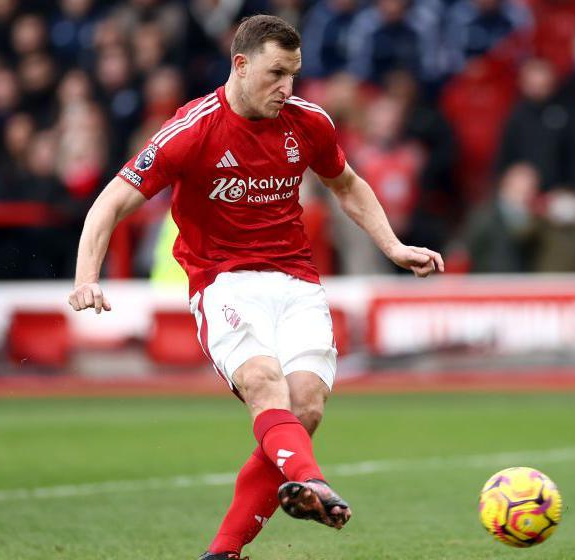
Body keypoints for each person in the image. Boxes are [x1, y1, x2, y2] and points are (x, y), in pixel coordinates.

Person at [67, 15, 443, 560]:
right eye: (275, 74)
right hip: (224, 284)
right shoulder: (192, 129)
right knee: (266, 384)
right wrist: (86, 277)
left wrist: (393, 246)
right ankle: (313, 484)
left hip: (297, 282)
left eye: (292, 74)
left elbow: (348, 185)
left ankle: (222, 554)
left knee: (306, 407)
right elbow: (112, 201)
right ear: (240, 66)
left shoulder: (309, 122)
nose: (286, 87)